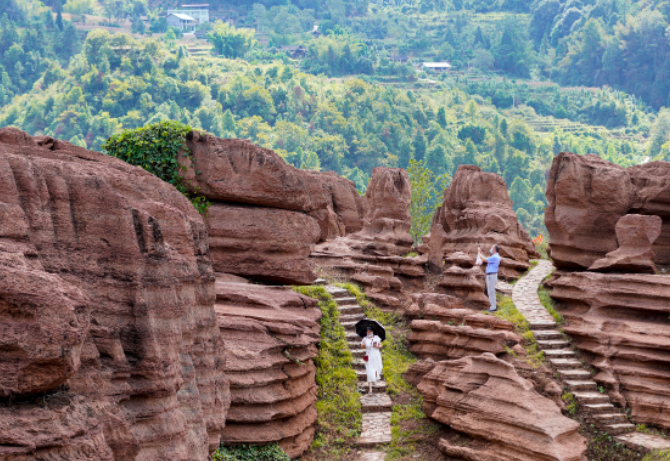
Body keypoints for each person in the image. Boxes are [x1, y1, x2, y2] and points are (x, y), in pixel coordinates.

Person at [477, 244, 501, 312]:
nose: (490, 248)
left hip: (491, 275)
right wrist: (481, 254)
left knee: (491, 291)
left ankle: (493, 307)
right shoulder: (495, 257)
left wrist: (479, 252)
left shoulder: (495, 257)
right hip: (491, 275)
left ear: (494, 249)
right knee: (490, 291)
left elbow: (484, 260)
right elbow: (486, 259)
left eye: (491, 247)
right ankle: (492, 306)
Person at [361, 326, 383, 395]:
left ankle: (375, 378)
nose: (369, 332)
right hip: (369, 356)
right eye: (368, 331)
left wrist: (377, 346)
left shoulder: (376, 338)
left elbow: (381, 345)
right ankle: (370, 389)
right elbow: (362, 347)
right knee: (369, 370)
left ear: (372, 332)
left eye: (370, 331)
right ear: (366, 332)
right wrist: (363, 344)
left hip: (376, 355)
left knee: (377, 368)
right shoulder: (364, 339)